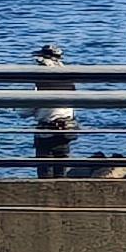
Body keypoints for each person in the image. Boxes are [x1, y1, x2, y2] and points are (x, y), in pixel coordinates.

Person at [33, 41, 75, 185]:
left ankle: (46, 191)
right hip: (67, 127)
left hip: (47, 129)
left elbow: (25, 111)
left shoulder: (41, 81)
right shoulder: (69, 79)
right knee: (61, 166)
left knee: (45, 168)